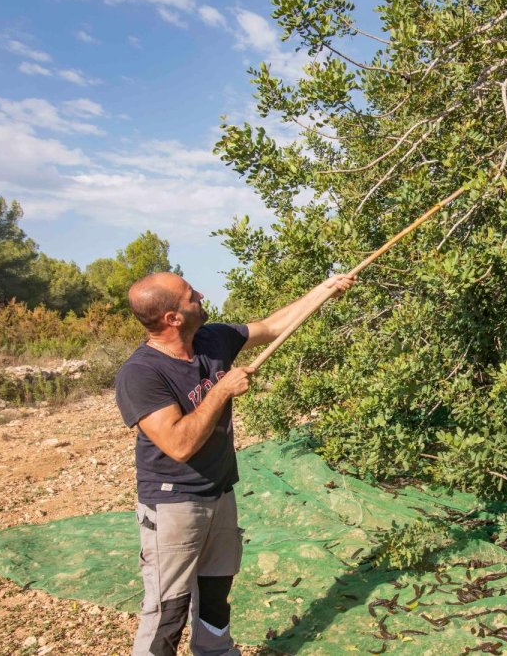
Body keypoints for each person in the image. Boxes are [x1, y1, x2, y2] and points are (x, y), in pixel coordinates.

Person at [114, 271, 356, 655]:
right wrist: (221, 390)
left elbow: (275, 325)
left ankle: (216, 651)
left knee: (216, 590)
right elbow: (178, 444)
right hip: (174, 502)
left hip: (219, 492)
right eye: (191, 296)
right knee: (168, 608)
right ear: (172, 319)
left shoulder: (213, 338)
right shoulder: (141, 373)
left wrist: (324, 290)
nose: (201, 295)